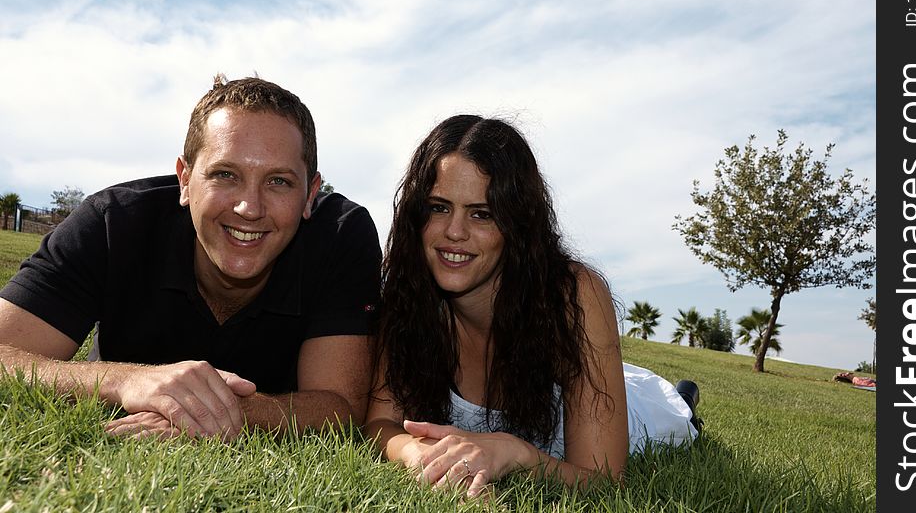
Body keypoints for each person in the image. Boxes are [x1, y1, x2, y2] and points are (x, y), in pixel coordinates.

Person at [0, 75, 381, 440]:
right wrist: (129, 381)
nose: (249, 207)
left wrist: (211, 410)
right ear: (185, 179)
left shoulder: (340, 235)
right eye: (225, 174)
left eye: (278, 181)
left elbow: (341, 407)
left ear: (311, 194)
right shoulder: (114, 223)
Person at [366, 114, 701, 497]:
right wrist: (422, 454)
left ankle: (686, 397)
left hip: (638, 413)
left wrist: (516, 453)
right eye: (439, 207)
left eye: (482, 214)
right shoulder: (410, 291)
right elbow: (380, 421)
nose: (454, 232)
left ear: (517, 225)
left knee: (673, 410)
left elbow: (605, 482)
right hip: (594, 382)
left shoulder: (573, 295)